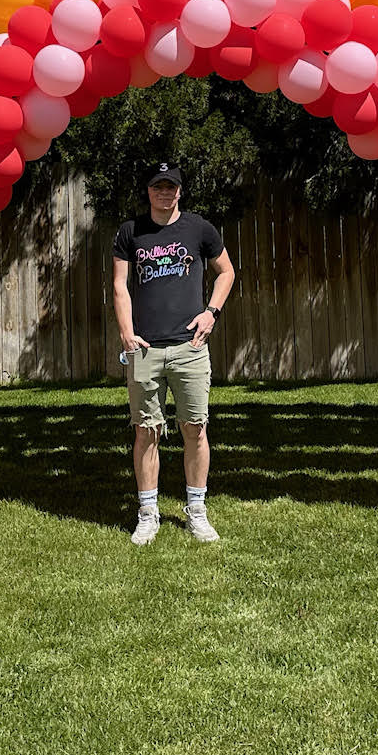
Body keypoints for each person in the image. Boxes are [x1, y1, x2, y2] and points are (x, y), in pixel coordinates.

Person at [112, 163, 235, 545]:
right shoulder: (130, 232)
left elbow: (226, 272)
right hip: (145, 350)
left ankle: (196, 510)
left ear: (180, 191)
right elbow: (120, 285)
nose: (164, 193)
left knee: (194, 428)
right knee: (146, 431)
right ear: (148, 191)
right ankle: (148, 514)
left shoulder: (200, 229)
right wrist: (127, 332)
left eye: (171, 187)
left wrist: (211, 313)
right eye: (157, 187)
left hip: (190, 348)